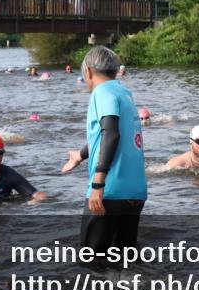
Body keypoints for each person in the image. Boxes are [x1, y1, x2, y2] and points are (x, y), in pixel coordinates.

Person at [60, 46, 147, 252]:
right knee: (125, 262)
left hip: (110, 192)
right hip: (135, 192)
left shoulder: (101, 92)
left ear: (88, 71)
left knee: (93, 262)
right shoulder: (124, 93)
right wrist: (79, 155)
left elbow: (111, 134)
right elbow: (108, 135)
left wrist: (98, 184)